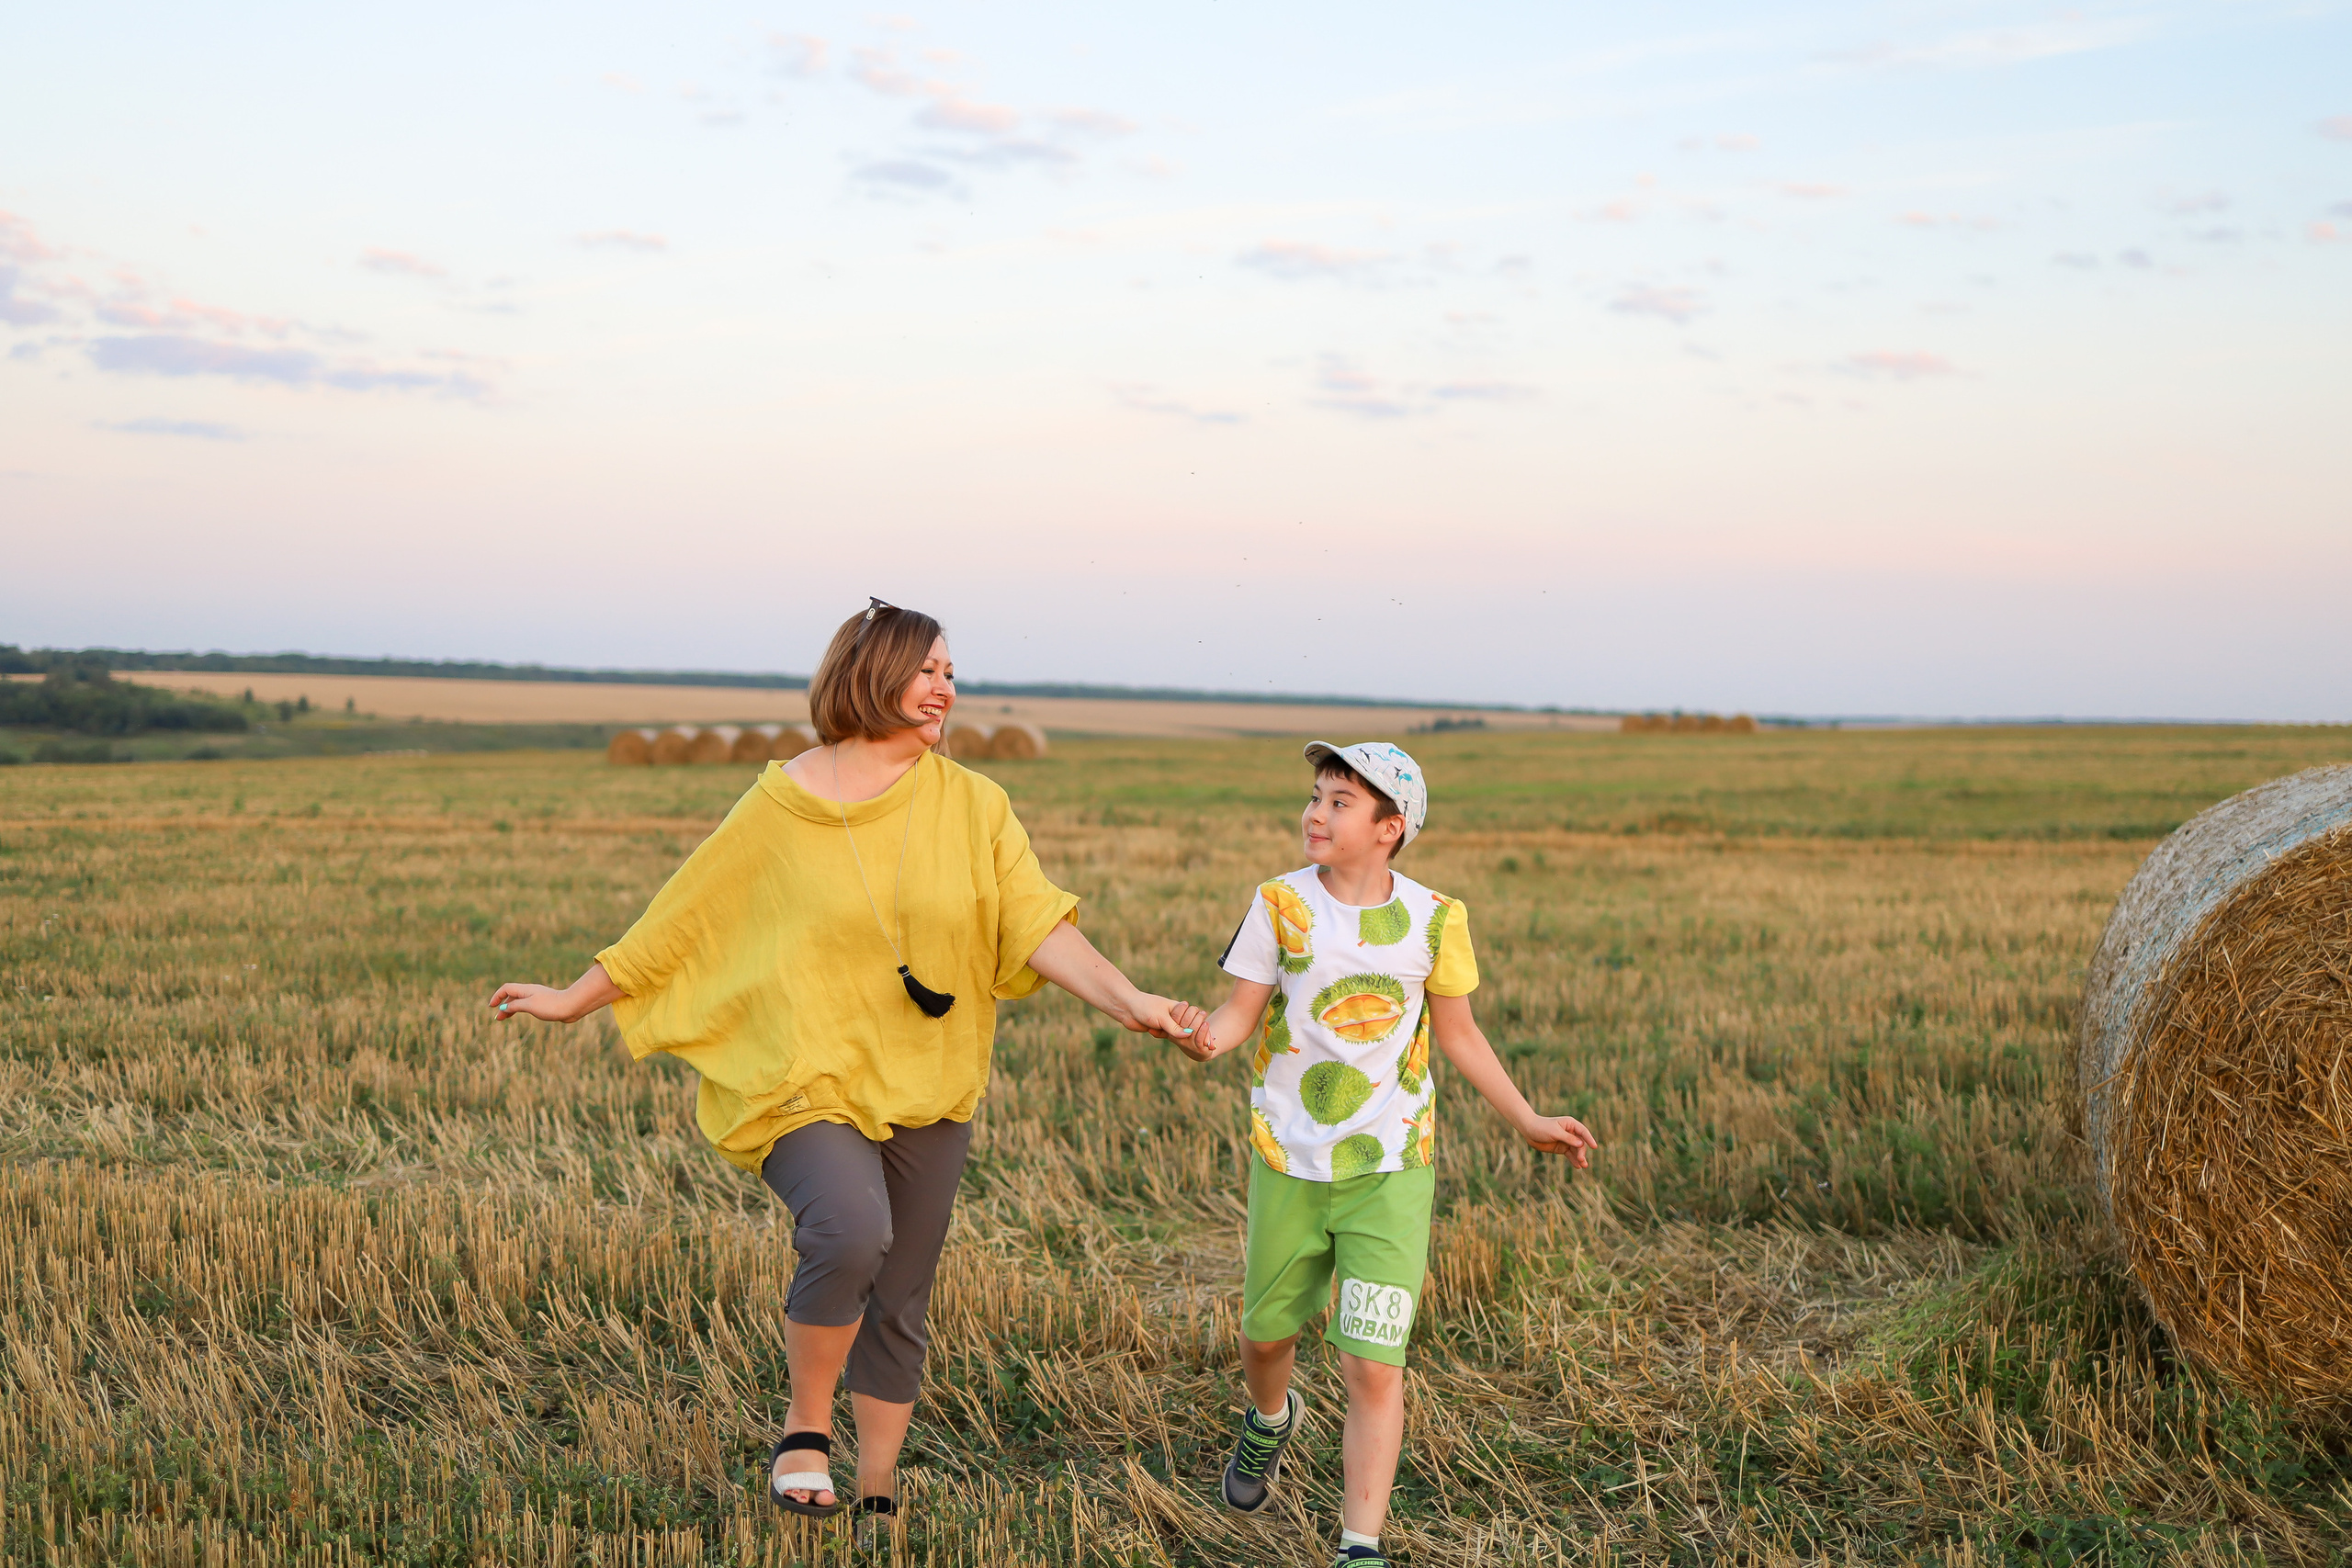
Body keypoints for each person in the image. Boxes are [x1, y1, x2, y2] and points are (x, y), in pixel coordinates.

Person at [488, 599, 1201, 1530]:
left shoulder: (976, 803)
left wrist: (1134, 1001)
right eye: (929, 668)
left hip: (929, 1077)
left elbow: (1036, 926)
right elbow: (682, 917)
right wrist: (572, 997)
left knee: (902, 1290)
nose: (948, 685)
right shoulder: (781, 802)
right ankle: (803, 1434)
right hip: (804, 1075)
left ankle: (876, 1492)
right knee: (849, 1234)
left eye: (952, 670)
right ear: (873, 673)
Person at [1177, 740, 1598, 1568]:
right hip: (1290, 1158)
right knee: (1265, 1337)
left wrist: (1526, 1117)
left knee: (1373, 1365)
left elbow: (1461, 1036)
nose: (1316, 812)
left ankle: (1359, 1544)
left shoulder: (1438, 919)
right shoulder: (1279, 905)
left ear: (1389, 827)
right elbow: (1237, 1015)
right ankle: (1269, 1418)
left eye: (1340, 801)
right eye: (1315, 796)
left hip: (1391, 1167)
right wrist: (1199, 1037)